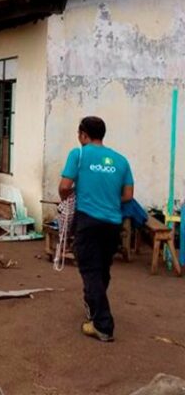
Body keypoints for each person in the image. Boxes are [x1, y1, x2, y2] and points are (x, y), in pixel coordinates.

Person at [58, 116, 134, 343]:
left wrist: (67, 197)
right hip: (112, 222)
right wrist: (109, 199)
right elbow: (128, 196)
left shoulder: (78, 154)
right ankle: (93, 305)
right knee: (102, 269)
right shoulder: (121, 160)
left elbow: (64, 186)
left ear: (83, 134)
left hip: (88, 221)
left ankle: (103, 325)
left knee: (90, 270)